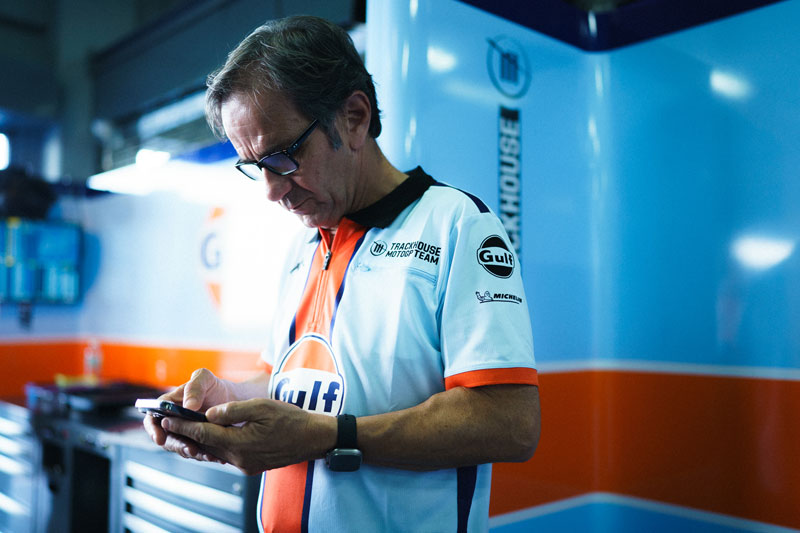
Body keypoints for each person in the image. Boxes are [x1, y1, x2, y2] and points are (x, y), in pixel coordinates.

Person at [144, 15, 540, 532]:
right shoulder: (303, 246)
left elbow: (510, 423)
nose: (270, 190)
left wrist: (334, 436)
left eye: (282, 157)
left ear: (354, 117)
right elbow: (291, 384)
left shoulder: (457, 226)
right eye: (254, 166)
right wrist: (227, 399)